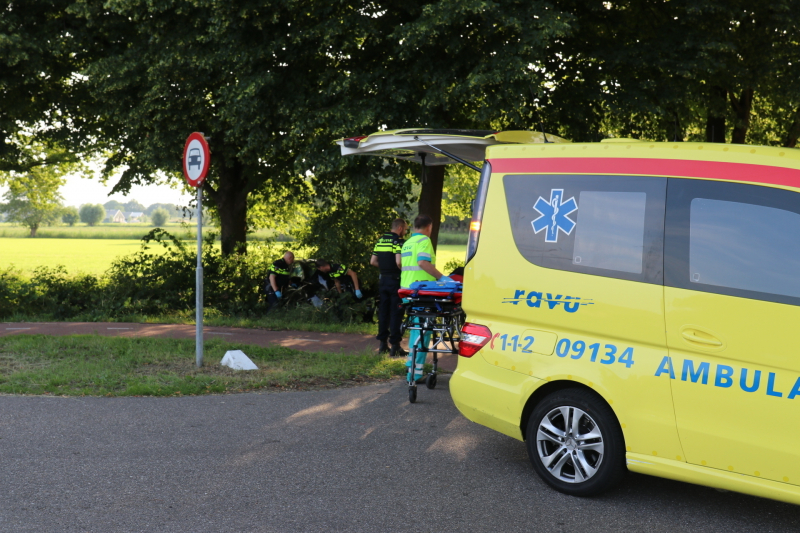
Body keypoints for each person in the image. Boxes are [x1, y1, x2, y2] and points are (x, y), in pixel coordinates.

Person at [400, 214, 453, 383]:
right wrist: (442, 278)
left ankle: (411, 368)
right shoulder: (424, 241)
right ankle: (415, 374)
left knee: (416, 330)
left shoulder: (407, 243)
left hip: (407, 292)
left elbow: (399, 264)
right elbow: (423, 262)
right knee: (423, 333)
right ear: (429, 227)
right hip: (422, 293)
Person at [370, 218, 408, 356]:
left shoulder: (380, 241)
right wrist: (402, 270)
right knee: (396, 313)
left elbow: (373, 261)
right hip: (395, 281)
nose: (405, 231)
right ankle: (395, 346)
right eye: (405, 229)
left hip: (383, 280)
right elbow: (398, 262)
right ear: (400, 228)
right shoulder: (398, 241)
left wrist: (385, 268)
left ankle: (382, 344)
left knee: (383, 313)